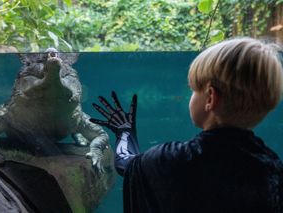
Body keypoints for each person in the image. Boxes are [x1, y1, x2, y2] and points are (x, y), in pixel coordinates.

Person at [90, 37, 283, 213]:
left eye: (193, 90)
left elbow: (127, 163)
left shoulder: (173, 160)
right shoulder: (273, 167)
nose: (191, 96)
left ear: (210, 97)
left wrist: (125, 132)